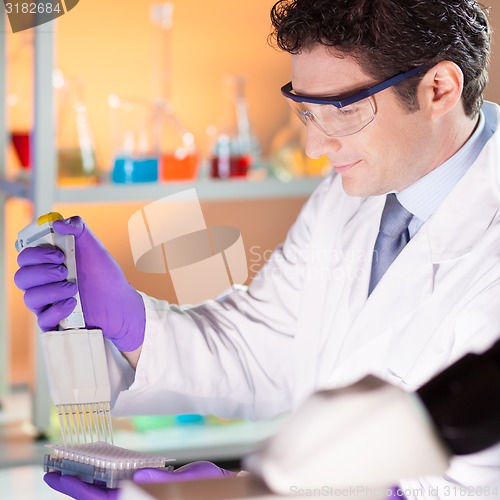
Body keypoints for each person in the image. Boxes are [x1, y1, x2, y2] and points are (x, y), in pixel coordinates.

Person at [14, 0, 500, 498]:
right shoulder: (353, 193)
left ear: (439, 89)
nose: (314, 147)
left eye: (344, 111)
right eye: (306, 112)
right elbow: (265, 346)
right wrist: (132, 324)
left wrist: (249, 493)